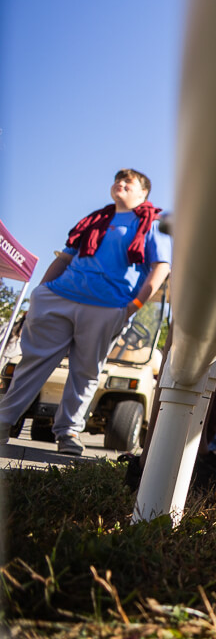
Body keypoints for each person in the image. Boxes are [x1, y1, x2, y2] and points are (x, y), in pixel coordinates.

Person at [0, 169, 170, 455]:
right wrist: (39, 296)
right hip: (59, 297)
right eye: (119, 178)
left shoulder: (151, 223)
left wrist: (134, 306)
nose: (121, 183)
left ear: (143, 194)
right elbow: (65, 258)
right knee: (32, 363)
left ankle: (68, 432)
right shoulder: (96, 220)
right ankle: (3, 422)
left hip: (107, 307)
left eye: (130, 181)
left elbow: (161, 267)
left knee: (86, 371)